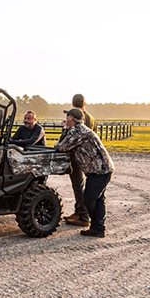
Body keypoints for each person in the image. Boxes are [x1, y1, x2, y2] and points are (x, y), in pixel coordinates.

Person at [56, 108, 114, 237]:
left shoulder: (77, 131)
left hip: (99, 170)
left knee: (88, 200)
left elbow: (61, 147)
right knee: (98, 199)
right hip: (103, 169)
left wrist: (64, 130)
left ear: (71, 118)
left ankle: (97, 226)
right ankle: (98, 228)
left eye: (67, 116)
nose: (66, 119)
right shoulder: (82, 129)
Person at [64, 93, 96, 227]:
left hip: (77, 156)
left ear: (72, 103)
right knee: (82, 185)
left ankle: (83, 215)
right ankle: (79, 211)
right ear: (85, 103)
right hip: (89, 156)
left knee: (78, 185)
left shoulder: (76, 117)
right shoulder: (92, 118)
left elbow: (70, 137)